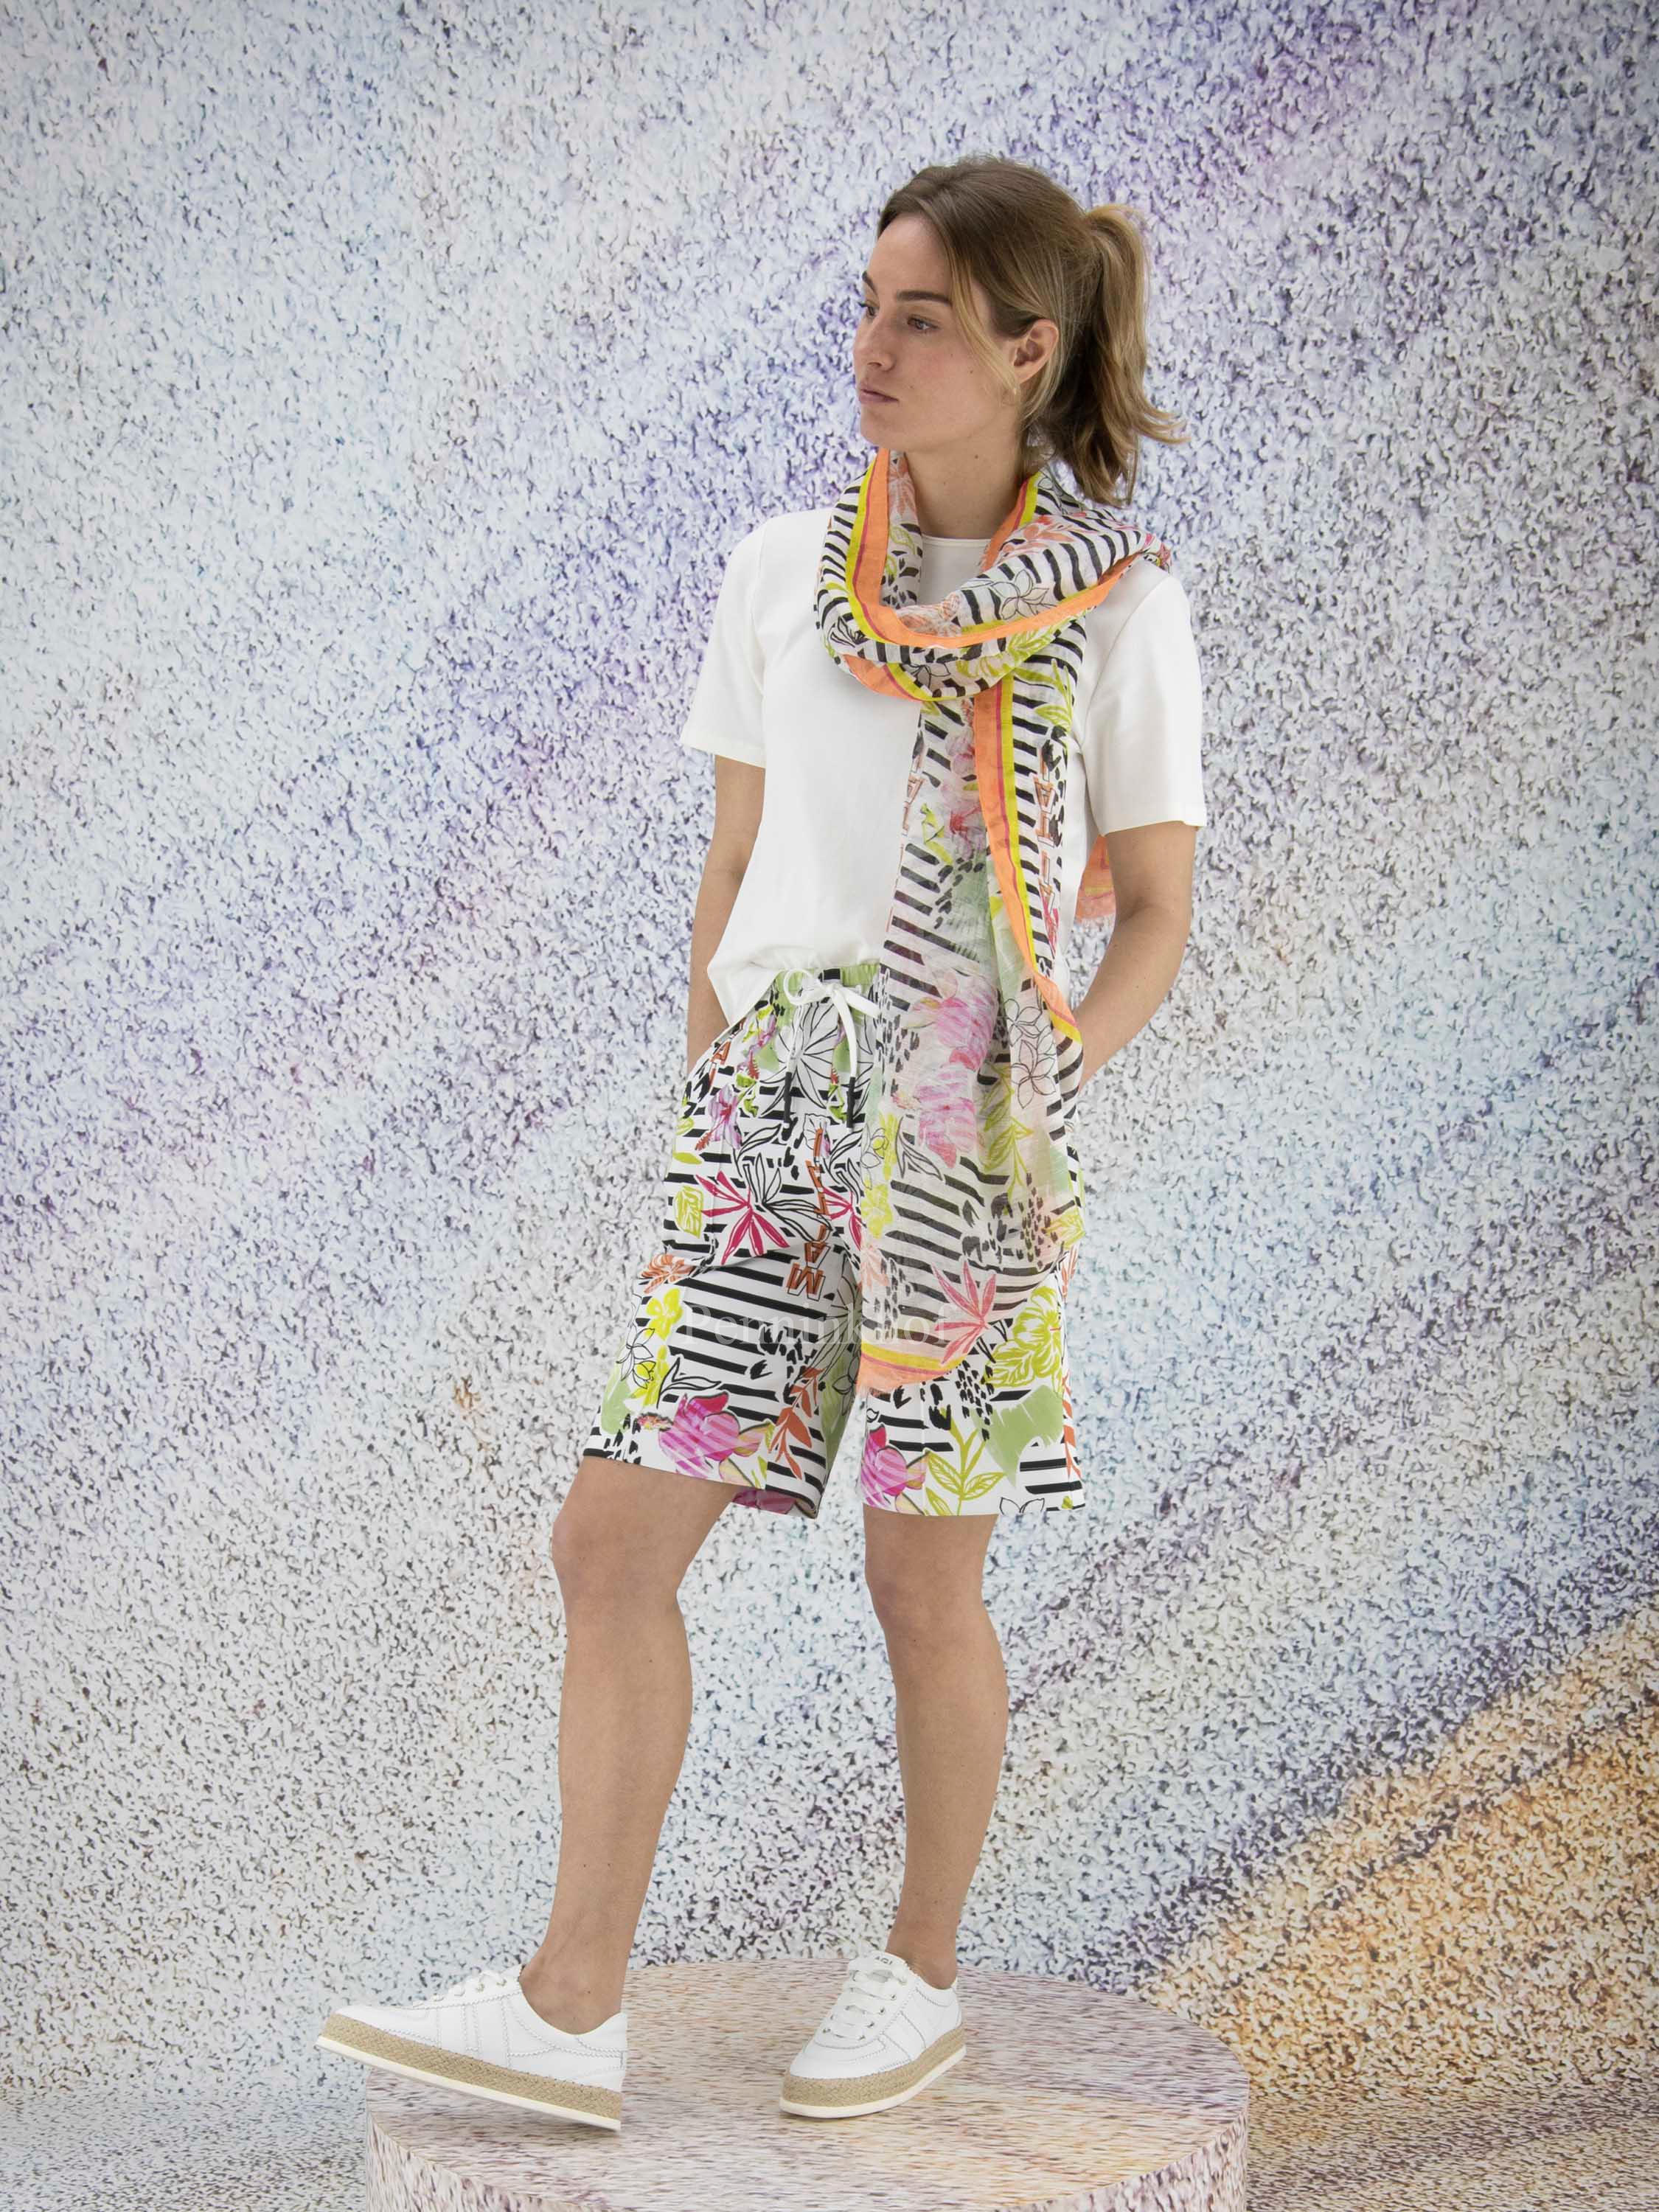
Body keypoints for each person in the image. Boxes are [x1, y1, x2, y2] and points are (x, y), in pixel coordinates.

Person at [317, 153, 1206, 2132]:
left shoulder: (1122, 611)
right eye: (866, 305)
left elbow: (1153, 903)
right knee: (609, 1540)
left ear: (1026, 349)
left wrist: (1049, 1065)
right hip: (774, 1108)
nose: (871, 348)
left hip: (968, 1129)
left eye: (920, 316)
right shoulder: (779, 573)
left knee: (920, 1585)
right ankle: (569, 2008)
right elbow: (732, 862)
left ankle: (918, 1974)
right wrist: (714, 1069)